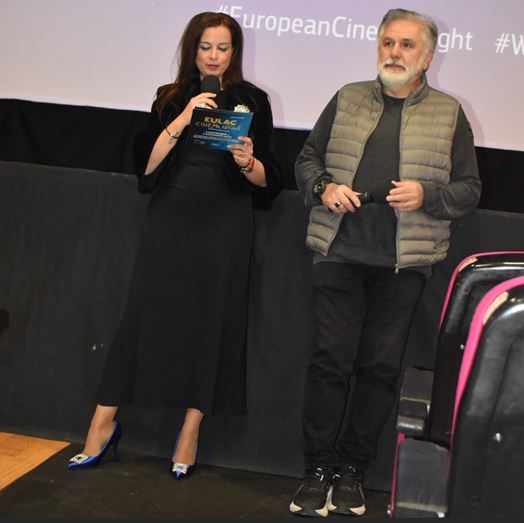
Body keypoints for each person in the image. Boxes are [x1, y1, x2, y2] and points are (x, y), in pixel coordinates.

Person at [67, 11, 280, 478]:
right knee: (141, 315)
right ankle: (102, 423)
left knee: (212, 320)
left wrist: (247, 161)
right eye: (206, 47)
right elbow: (146, 168)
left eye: (223, 48)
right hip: (171, 219)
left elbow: (268, 183)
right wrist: (184, 118)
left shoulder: (253, 101)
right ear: (192, 49)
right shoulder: (170, 97)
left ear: (235, 52)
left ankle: (190, 431)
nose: (214, 56)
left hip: (225, 225)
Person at [289, 8, 481, 518]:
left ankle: (352, 470)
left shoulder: (449, 113)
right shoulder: (347, 97)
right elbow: (306, 159)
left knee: (378, 368)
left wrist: (428, 195)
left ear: (427, 57)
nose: (394, 53)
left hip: (404, 264)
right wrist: (323, 188)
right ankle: (317, 469)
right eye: (388, 42)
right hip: (339, 252)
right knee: (330, 362)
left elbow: (469, 189)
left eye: (406, 45)